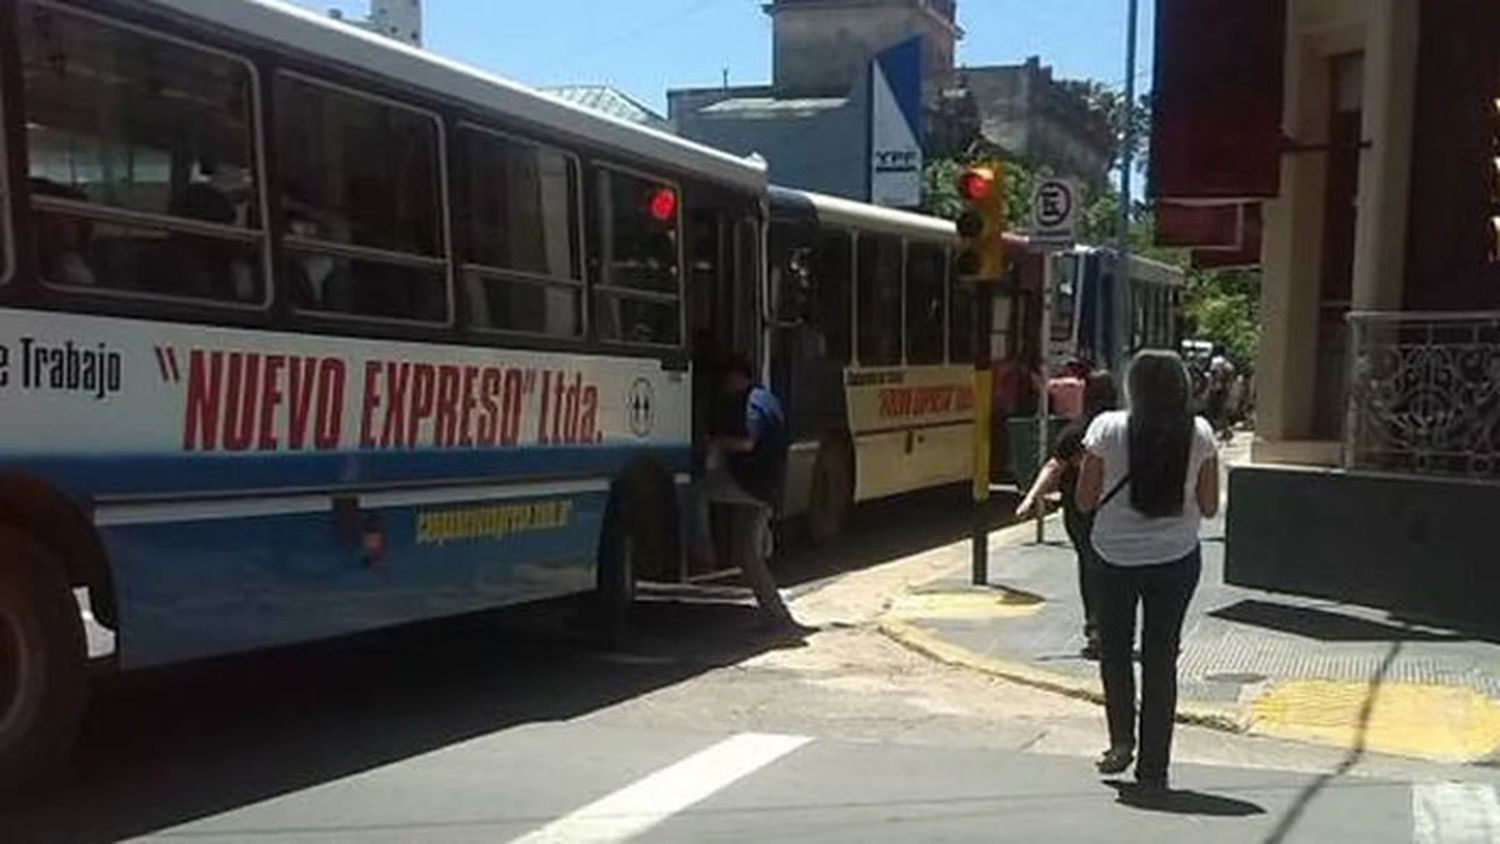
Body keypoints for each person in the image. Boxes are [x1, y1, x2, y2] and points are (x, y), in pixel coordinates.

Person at [1076, 350, 1219, 791]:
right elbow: (1211, 507)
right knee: (1161, 659)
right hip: (1176, 560)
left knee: (1115, 652)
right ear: (1183, 386)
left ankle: (1121, 741)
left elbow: (1083, 499)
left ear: (1132, 386)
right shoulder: (1200, 433)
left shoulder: (1106, 428)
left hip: (1113, 557)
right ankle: (1154, 766)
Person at [693, 354, 806, 635]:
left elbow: (746, 442)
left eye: (725, 382)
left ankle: (700, 550)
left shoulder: (751, 404)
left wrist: (713, 442)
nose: (724, 388)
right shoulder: (767, 398)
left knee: (693, 489)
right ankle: (776, 615)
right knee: (746, 554)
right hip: (767, 487)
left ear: (735, 378)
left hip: (749, 486)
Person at [1015, 370, 1120, 660]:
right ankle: (1116, 626)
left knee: (1089, 564)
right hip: (1117, 510)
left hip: (1080, 510)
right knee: (1116, 567)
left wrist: (1030, 498)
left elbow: (1053, 467)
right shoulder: (1124, 430)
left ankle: (1095, 627)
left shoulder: (1075, 431)